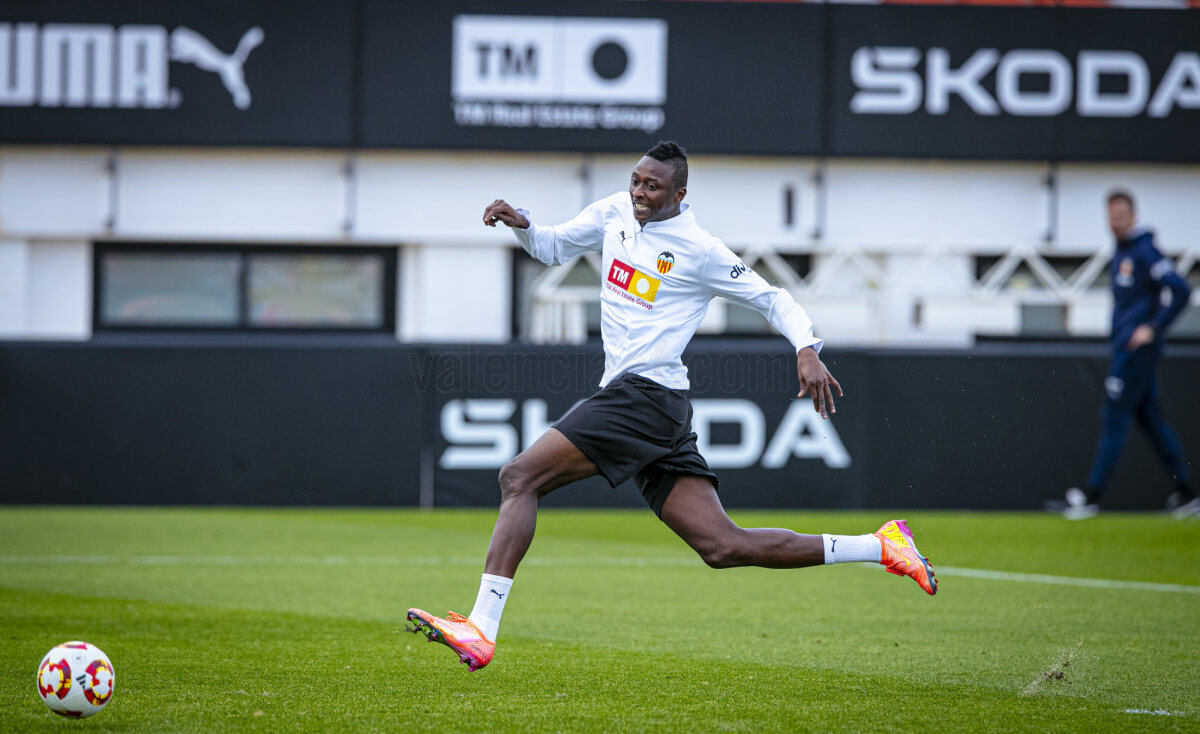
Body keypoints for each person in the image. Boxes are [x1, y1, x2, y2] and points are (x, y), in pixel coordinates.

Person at [407, 141, 937, 672]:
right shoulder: (614, 211)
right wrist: (522, 222)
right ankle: (882, 546)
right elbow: (551, 247)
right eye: (636, 180)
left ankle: (481, 628)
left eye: (652, 186)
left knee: (519, 477)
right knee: (723, 546)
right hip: (652, 406)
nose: (639, 192)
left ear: (679, 194)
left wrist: (807, 348)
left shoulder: (699, 249)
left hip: (644, 397)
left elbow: (772, 297)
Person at [1065, 189, 1196, 520]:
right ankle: (1187, 492)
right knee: (1152, 422)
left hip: (1136, 353)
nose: (1116, 222)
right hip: (1126, 349)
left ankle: (1091, 495)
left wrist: (1153, 326)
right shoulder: (1120, 252)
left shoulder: (1145, 250)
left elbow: (1181, 289)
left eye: (1121, 216)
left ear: (1133, 216)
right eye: (1111, 216)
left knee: (1114, 417)